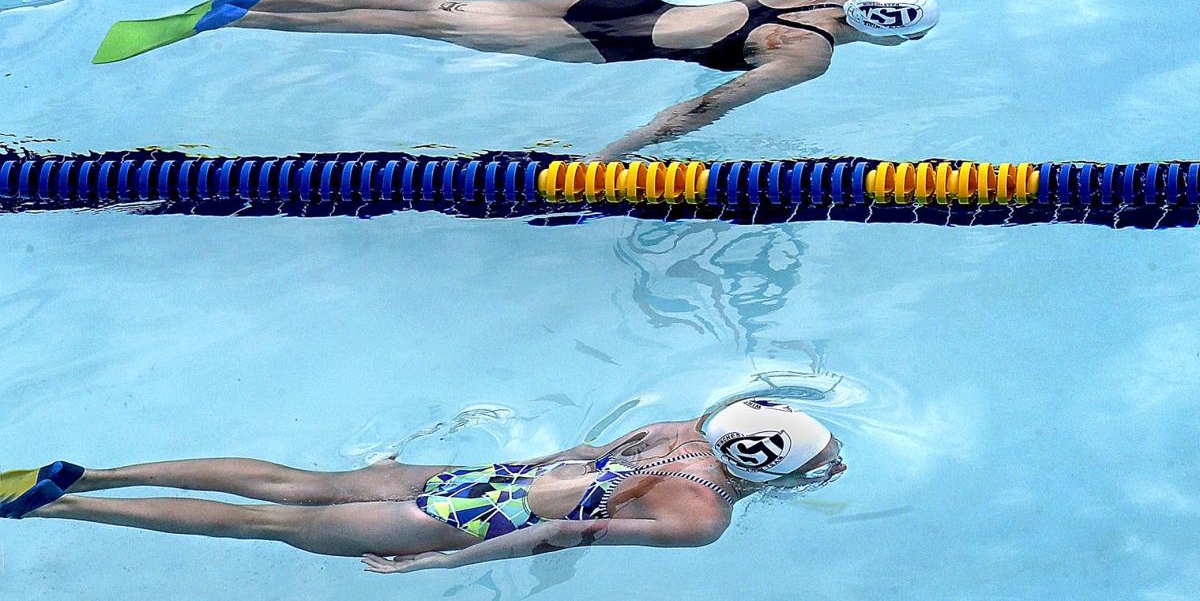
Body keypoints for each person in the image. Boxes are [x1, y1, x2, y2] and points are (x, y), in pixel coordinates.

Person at [90, 0, 939, 157]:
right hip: (612, 45)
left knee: (443, 6)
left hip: (623, 3)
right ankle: (239, 18)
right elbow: (708, 106)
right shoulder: (808, 55)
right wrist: (612, 157)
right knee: (432, 28)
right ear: (892, 41)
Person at [1, 398, 843, 572]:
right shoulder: (700, 518)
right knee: (253, 527)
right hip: (473, 522)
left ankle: (89, 472)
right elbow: (559, 532)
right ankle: (61, 507)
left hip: (491, 478)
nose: (828, 465)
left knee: (294, 484)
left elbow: (583, 451)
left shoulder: (684, 429)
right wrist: (438, 564)